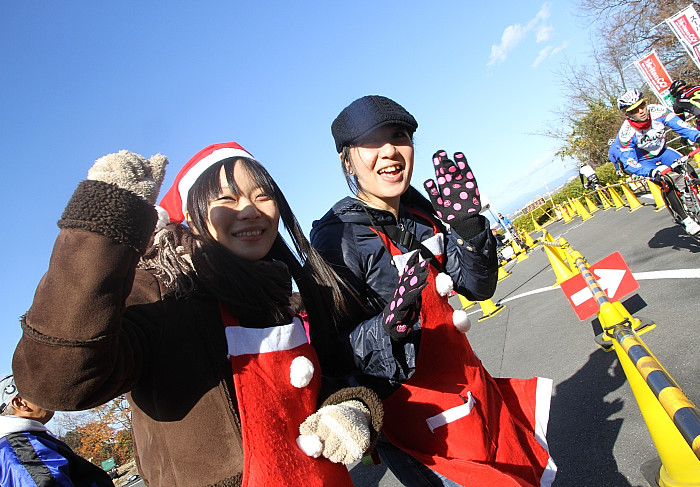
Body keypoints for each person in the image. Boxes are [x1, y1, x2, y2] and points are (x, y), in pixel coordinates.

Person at [12, 143, 384, 487]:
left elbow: (317, 383)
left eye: (262, 194)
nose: (250, 209)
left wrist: (348, 407)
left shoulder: (285, 294)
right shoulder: (164, 290)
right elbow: (55, 382)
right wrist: (104, 224)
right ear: (192, 215)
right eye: (227, 197)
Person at [311, 95, 556, 486]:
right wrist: (386, 329)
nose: (390, 149)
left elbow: (477, 287)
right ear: (347, 160)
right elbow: (331, 349)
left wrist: (470, 229)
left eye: (399, 135)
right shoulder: (337, 237)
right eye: (371, 142)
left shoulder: (422, 213)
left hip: (469, 384)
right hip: (412, 416)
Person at [615, 89, 700, 235]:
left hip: (663, 152)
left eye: (642, 105)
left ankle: (693, 198)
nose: (641, 111)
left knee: (688, 169)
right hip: (645, 161)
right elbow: (629, 161)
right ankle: (686, 219)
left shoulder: (658, 111)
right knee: (665, 181)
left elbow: (681, 126)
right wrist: (649, 172)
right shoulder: (626, 133)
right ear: (628, 114)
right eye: (635, 110)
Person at [1, 374, 114, 486]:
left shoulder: (20, 444)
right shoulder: (22, 449)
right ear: (19, 403)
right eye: (39, 391)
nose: (47, 395)